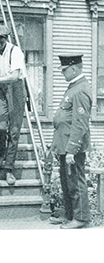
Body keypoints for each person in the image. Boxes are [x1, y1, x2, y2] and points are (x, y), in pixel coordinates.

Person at [48, 54, 91, 229]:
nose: (62, 73)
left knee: (75, 181)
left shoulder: (80, 89)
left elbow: (80, 123)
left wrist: (72, 149)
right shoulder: (73, 87)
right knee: (67, 181)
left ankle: (81, 218)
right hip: (64, 144)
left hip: (72, 146)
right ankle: (69, 214)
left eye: (64, 70)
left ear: (74, 69)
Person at [0, 25, 26, 185]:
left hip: (15, 90)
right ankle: (1, 153)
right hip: (1, 91)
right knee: (1, 127)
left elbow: (15, 76)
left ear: (6, 38)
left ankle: (9, 169)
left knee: (14, 132)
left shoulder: (15, 51)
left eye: (1, 39)